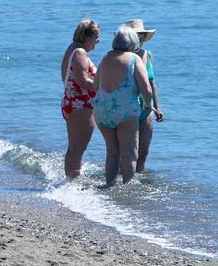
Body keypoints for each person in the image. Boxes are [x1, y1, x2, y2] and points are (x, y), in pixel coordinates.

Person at [92, 26, 153, 187]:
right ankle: (127, 191)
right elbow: (146, 88)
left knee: (112, 153)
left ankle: (109, 185)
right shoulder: (134, 59)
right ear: (132, 41)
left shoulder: (105, 57)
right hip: (125, 112)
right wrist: (147, 106)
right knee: (129, 154)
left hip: (102, 111)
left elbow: (94, 86)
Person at [60, 19, 100, 178]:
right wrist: (105, 85)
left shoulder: (72, 49)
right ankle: (73, 185)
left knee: (74, 147)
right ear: (86, 37)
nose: (98, 41)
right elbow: (83, 81)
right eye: (96, 36)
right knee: (78, 148)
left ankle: (69, 181)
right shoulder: (80, 53)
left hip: (72, 102)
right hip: (80, 105)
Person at [125, 18, 164, 173]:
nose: (139, 39)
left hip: (147, 109)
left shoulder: (147, 55)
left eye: (141, 36)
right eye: (136, 36)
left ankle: (138, 182)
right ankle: (124, 180)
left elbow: (152, 83)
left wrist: (158, 107)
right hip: (128, 109)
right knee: (129, 152)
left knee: (144, 151)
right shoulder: (123, 57)